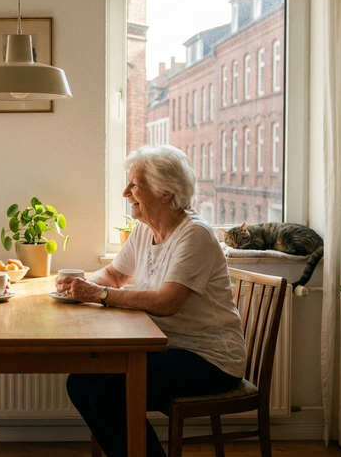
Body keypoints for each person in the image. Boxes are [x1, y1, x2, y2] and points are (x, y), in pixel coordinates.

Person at [56, 144, 245, 457]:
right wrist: (80, 286)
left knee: (107, 396)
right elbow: (114, 274)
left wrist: (97, 294)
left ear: (164, 193)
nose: (125, 193)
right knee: (79, 383)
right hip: (166, 347)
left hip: (209, 358)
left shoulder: (195, 235)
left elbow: (167, 303)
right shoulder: (146, 230)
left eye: (134, 185)